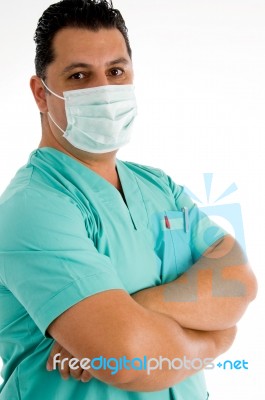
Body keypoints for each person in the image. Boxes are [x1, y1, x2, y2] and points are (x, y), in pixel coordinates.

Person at [0, 0, 257, 399]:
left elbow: (237, 282)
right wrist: (215, 341)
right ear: (40, 93)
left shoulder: (158, 186)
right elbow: (126, 359)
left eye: (115, 72)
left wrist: (138, 309)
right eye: (80, 75)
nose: (103, 90)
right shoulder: (33, 207)